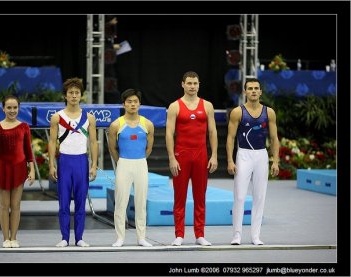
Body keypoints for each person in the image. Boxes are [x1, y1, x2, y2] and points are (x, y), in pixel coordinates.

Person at [166, 71, 218, 246]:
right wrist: (172, 158)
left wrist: (215, 155)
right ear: (182, 84)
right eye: (189, 83)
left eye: (195, 83)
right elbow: (169, 134)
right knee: (179, 197)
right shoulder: (175, 106)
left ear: (199, 84)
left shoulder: (207, 106)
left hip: (201, 155)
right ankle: (179, 234)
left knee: (200, 196)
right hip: (182, 155)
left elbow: (212, 132)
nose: (192, 86)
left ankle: (200, 234)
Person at [226, 78, 280, 245]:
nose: (254, 91)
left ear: (261, 92)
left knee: (259, 196)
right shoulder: (237, 112)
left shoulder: (269, 112)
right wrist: (230, 160)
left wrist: (275, 161)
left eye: (256, 88)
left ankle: (255, 236)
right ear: (245, 92)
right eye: (250, 88)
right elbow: (230, 137)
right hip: (243, 155)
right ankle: (237, 235)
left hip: (261, 155)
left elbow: (274, 138)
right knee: (240, 196)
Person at [48, 77, 98, 247]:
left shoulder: (89, 118)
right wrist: (51, 165)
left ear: (81, 96)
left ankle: (79, 238)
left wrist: (94, 164)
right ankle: (64, 237)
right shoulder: (57, 117)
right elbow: (52, 142)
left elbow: (93, 142)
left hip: (81, 161)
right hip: (64, 162)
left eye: (77, 93)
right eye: (71, 93)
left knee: (80, 201)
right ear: (65, 96)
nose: (74, 96)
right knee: (63, 202)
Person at [108, 89, 155, 247]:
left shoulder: (147, 124)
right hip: (124, 163)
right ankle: (120, 237)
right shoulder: (116, 125)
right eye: (129, 102)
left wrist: (141, 159)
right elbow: (113, 148)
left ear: (140, 104)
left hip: (141, 163)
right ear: (123, 104)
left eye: (135, 101)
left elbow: (149, 147)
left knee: (141, 202)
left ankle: (141, 237)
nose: (132, 104)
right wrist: (121, 162)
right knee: (121, 201)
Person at [0, 95, 35, 248]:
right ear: (3, 108)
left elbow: (28, 152)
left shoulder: (24, 127)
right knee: (4, 204)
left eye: (15, 107)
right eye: (9, 107)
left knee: (16, 205)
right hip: (2, 167)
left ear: (19, 108)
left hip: (19, 167)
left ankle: (14, 237)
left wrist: (32, 170)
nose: (12, 110)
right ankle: (5, 238)